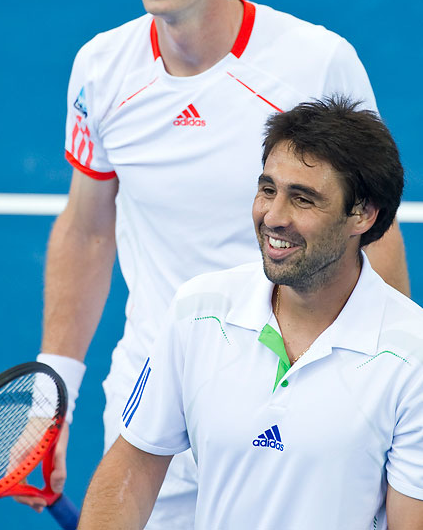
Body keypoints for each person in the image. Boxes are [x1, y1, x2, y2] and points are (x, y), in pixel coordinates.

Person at [30, 0, 409, 528]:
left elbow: (371, 227)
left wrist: (393, 385)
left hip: (299, 392)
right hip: (157, 388)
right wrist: (51, 395)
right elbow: (87, 231)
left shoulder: (316, 62)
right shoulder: (101, 70)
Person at [78, 97, 423, 530]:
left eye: (303, 199)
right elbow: (132, 470)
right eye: (268, 190)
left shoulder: (413, 356)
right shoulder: (198, 311)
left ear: (363, 214)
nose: (273, 217)